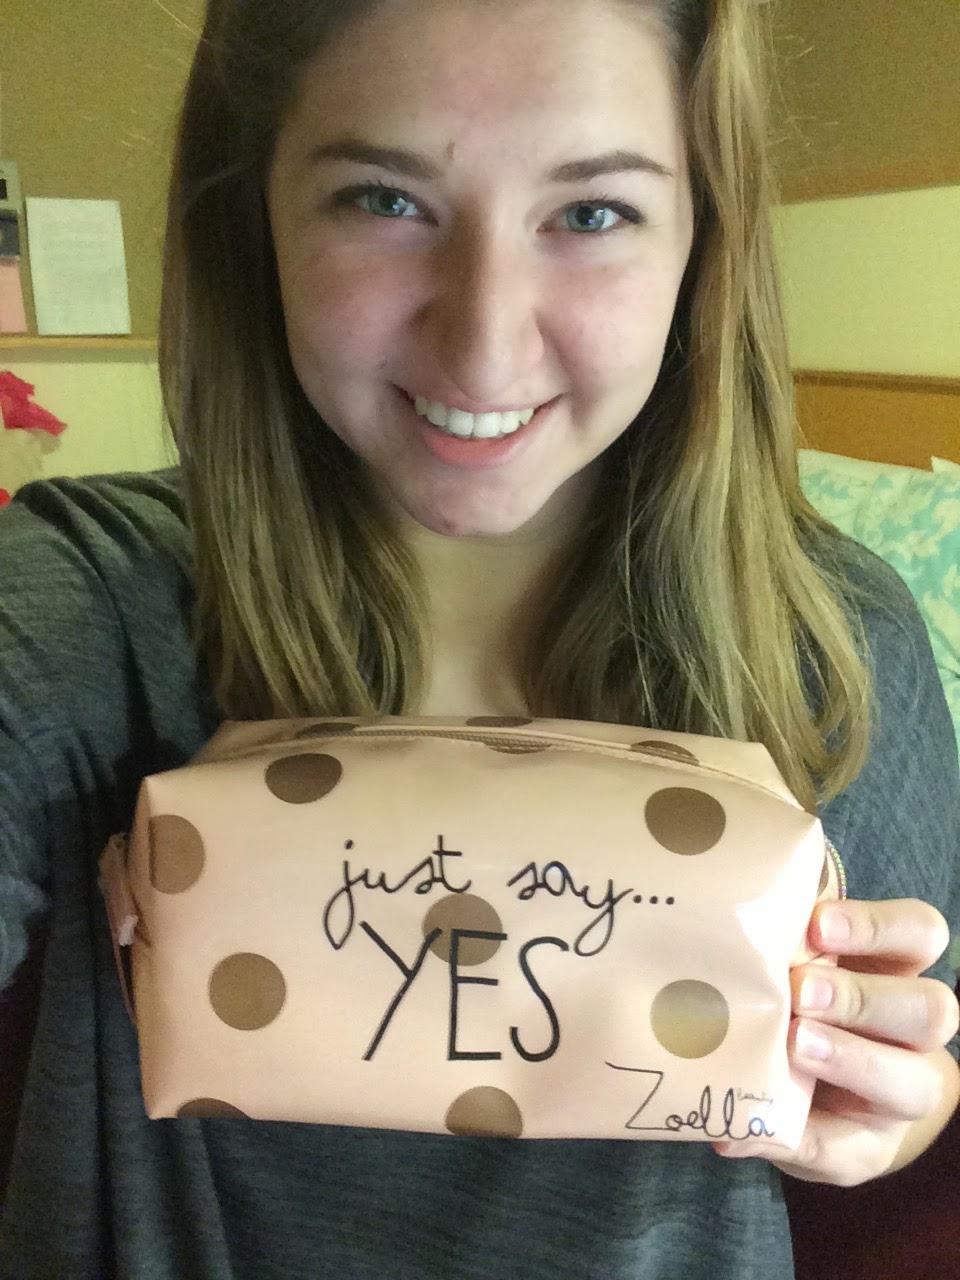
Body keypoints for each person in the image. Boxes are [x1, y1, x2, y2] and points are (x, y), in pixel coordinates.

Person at [1, 0, 957, 1276]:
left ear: (703, 237)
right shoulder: (84, 605)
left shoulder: (832, 643)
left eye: (592, 212)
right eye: (385, 200)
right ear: (255, 213)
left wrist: (882, 1106)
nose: (485, 343)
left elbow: (921, 1072)